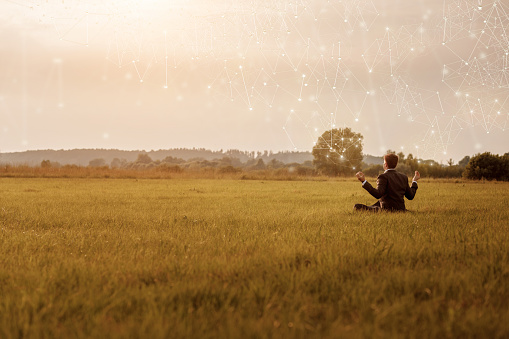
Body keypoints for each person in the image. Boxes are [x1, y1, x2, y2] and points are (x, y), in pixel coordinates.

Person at [354, 153, 420, 212]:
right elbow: (410, 196)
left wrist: (364, 181)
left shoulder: (383, 176)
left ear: (385, 164)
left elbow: (378, 194)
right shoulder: (404, 177)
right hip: (401, 209)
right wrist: (414, 181)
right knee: (377, 203)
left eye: (384, 162)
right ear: (396, 164)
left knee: (357, 206)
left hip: (387, 210)